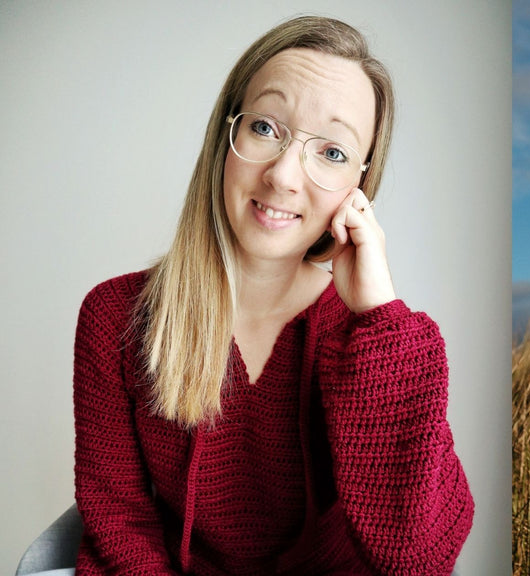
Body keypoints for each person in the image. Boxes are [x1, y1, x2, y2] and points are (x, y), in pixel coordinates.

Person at [72, 16, 473, 575]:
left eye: (331, 152)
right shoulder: (115, 316)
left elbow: (419, 557)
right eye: (265, 127)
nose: (285, 174)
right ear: (225, 139)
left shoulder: (383, 343)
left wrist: (379, 319)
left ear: (361, 185)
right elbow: (120, 519)